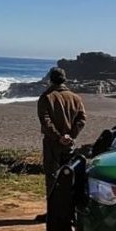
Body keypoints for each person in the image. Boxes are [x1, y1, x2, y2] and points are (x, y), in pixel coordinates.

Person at [37, 67, 87, 220]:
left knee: (52, 177)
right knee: (68, 177)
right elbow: (82, 119)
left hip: (52, 143)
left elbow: (45, 121)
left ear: (50, 79)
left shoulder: (47, 97)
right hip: (69, 142)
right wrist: (71, 135)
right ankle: (69, 211)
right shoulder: (75, 98)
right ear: (65, 79)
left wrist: (58, 136)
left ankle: (53, 213)